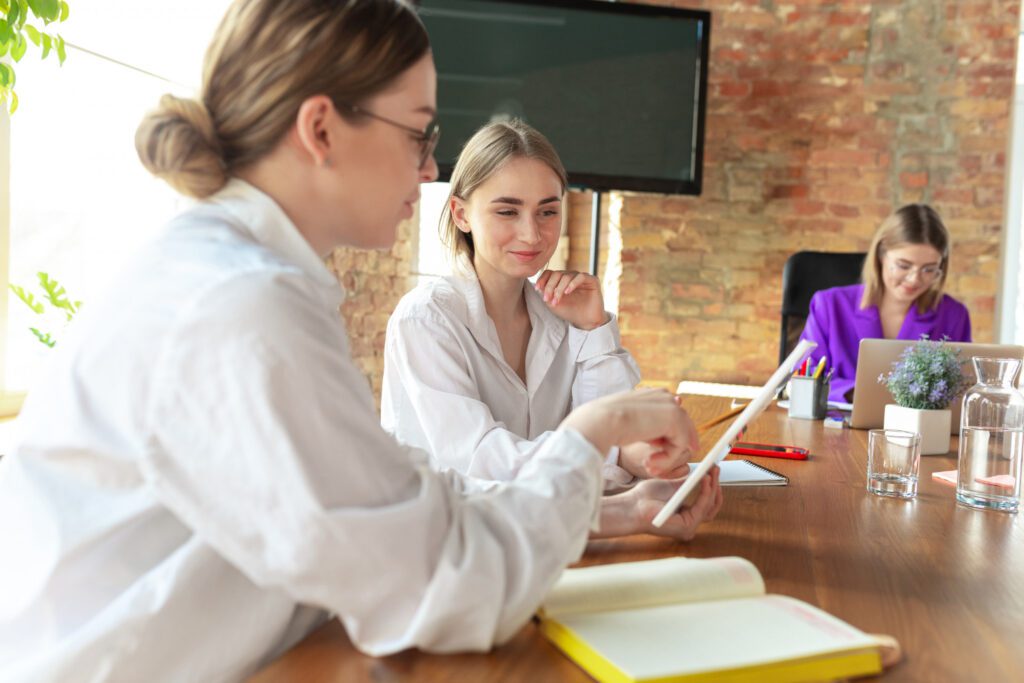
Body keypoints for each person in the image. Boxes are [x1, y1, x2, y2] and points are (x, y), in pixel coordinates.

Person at [0, 2, 720, 680]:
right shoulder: (240, 304)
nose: (431, 168)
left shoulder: (240, 275)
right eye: (418, 134)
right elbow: (440, 586)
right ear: (321, 130)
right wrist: (592, 431)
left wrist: (616, 508)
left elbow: (397, 494)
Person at [382, 120, 688, 486]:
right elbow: (483, 460)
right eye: (507, 211)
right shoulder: (426, 320)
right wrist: (617, 454)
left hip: (549, 533)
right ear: (461, 214)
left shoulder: (562, 315)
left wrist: (591, 329)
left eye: (547, 211)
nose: (532, 234)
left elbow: (607, 423)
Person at [799, 203, 972, 402]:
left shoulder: (953, 315)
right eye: (903, 265)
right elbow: (804, 377)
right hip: (836, 425)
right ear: (881, 255)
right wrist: (852, 392)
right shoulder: (829, 306)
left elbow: (960, 388)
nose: (915, 279)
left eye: (929, 269)